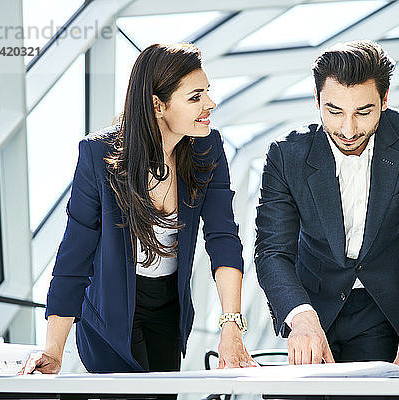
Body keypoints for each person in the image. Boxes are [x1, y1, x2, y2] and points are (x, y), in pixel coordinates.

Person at [20, 43, 256, 378]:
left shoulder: (208, 149)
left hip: (168, 307)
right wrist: (54, 351)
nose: (210, 103)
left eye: (207, 91)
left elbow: (223, 238)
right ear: (158, 105)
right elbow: (75, 255)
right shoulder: (98, 156)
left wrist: (232, 325)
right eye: (195, 97)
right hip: (109, 313)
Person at [255, 40, 399, 376]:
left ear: (385, 99)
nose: (348, 130)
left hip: (383, 306)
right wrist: (300, 316)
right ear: (316, 100)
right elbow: (272, 250)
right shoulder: (285, 155)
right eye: (334, 111)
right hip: (311, 306)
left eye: (363, 112)